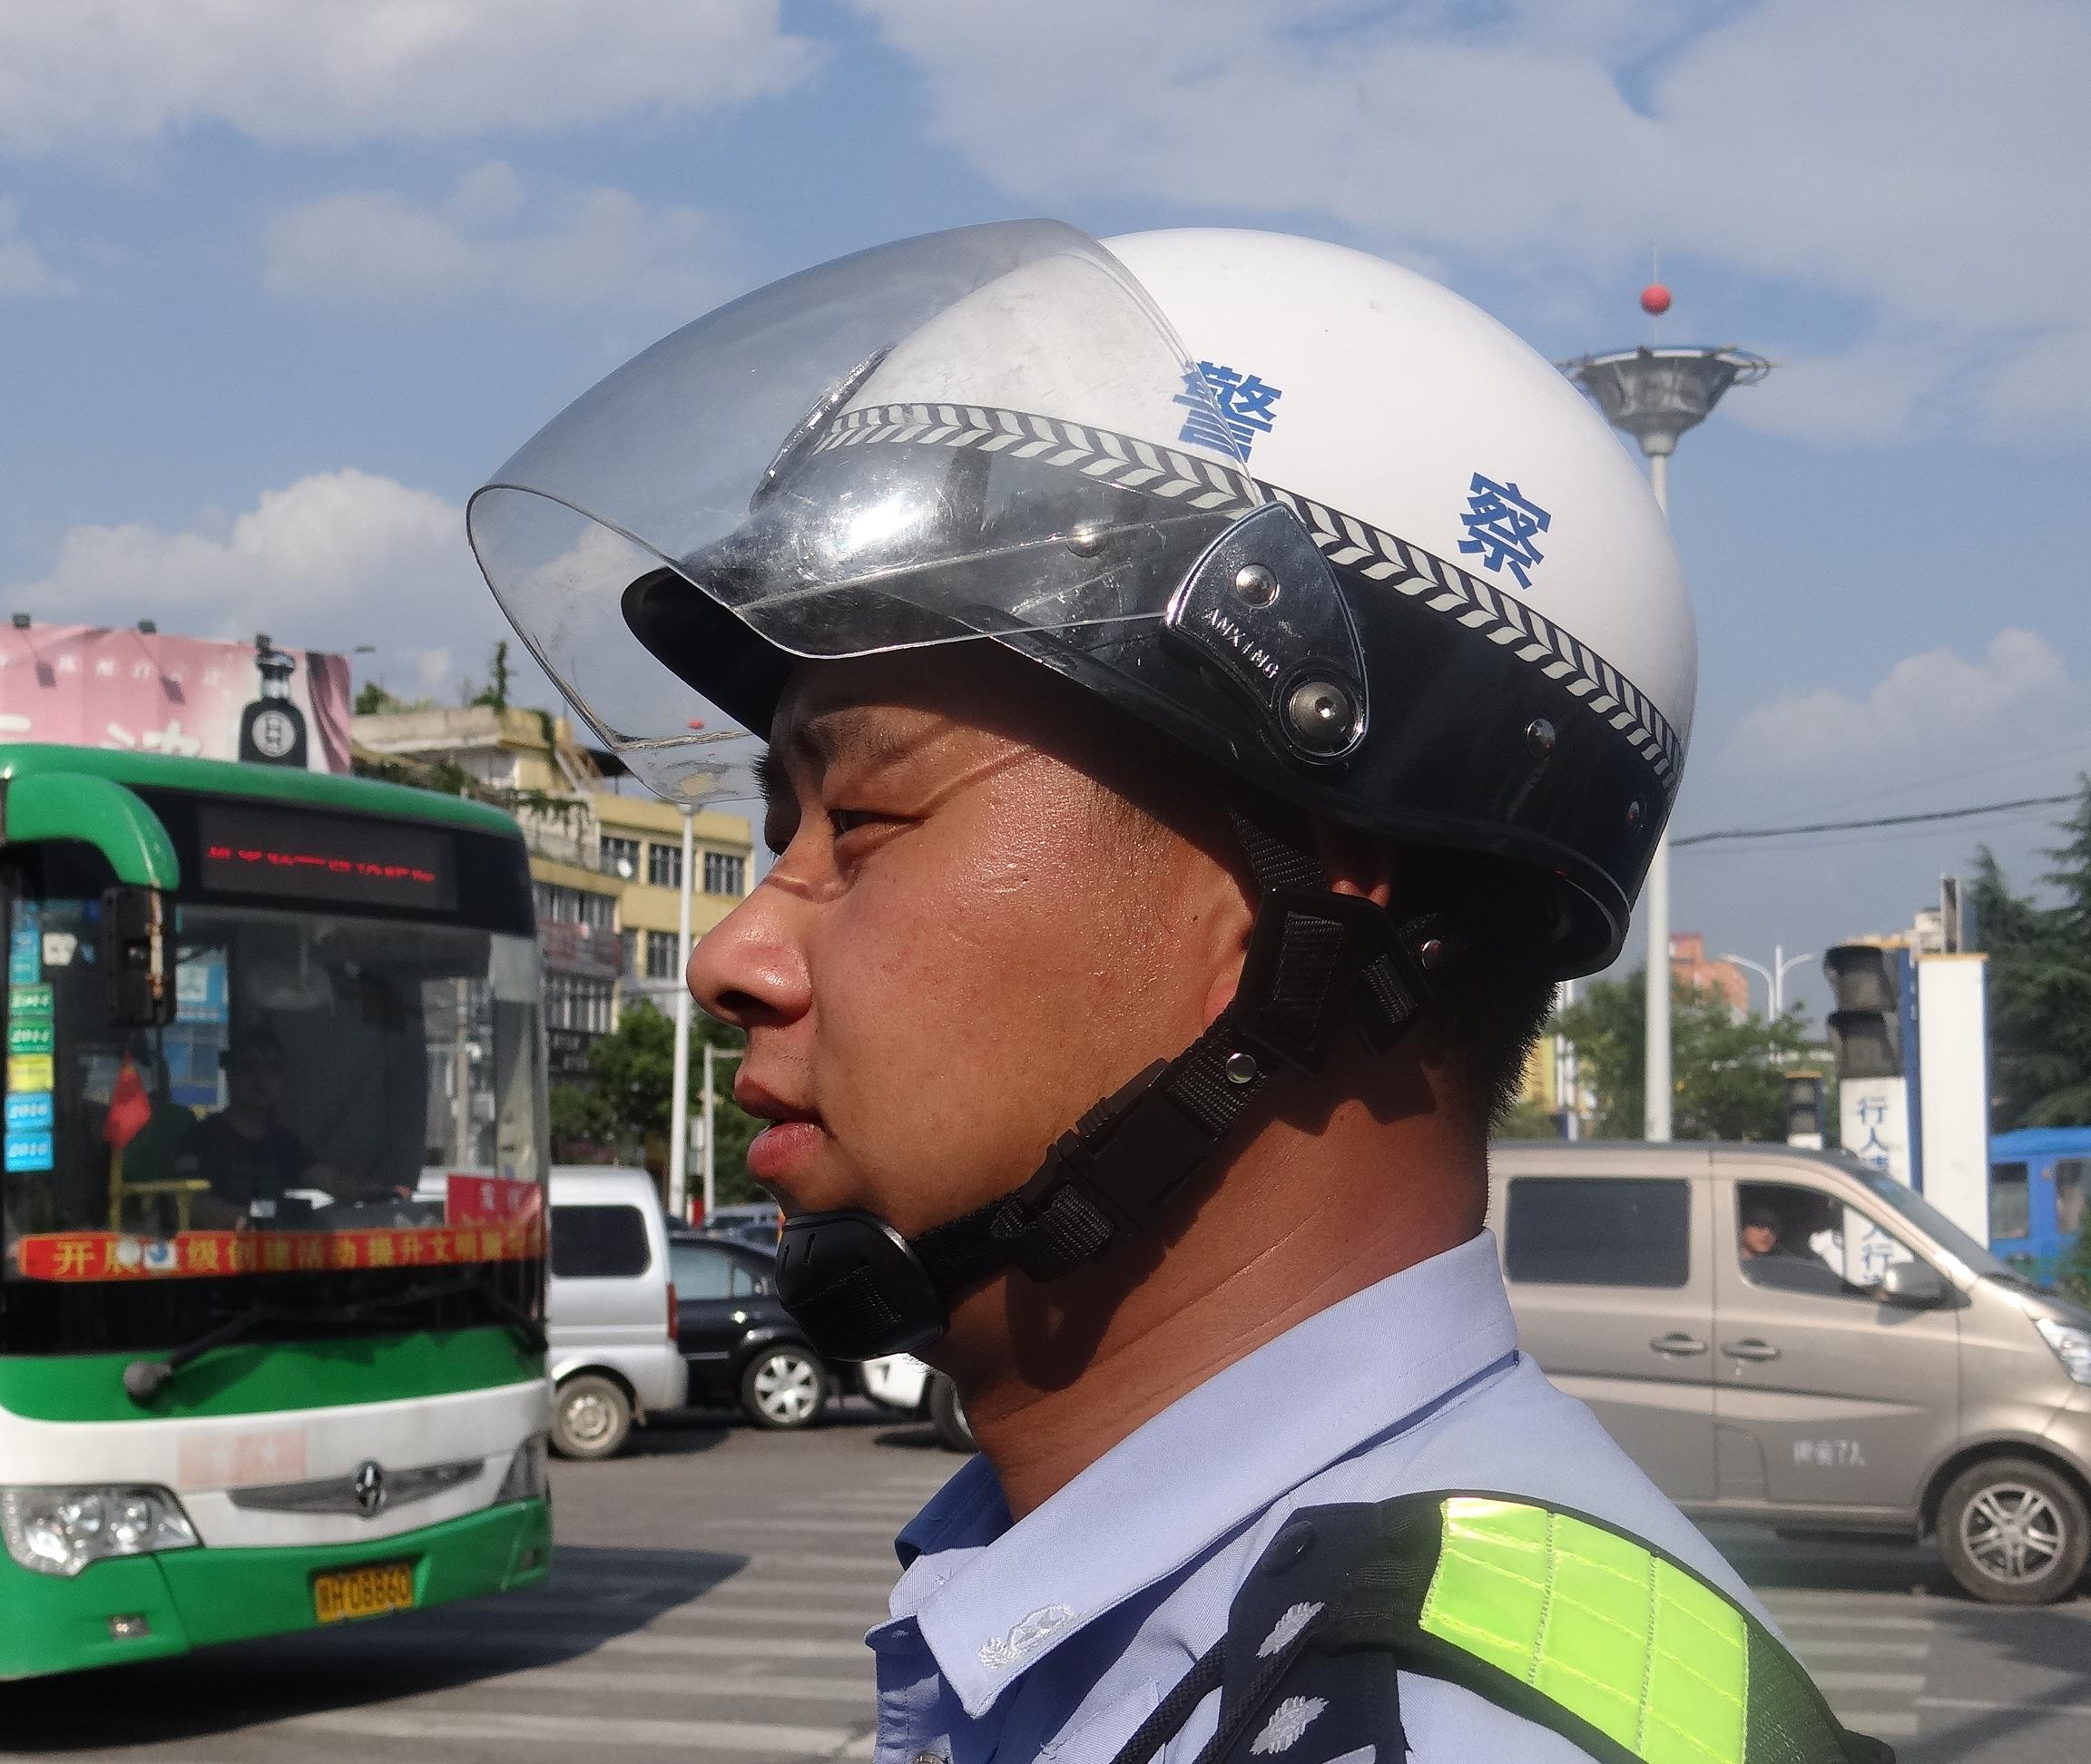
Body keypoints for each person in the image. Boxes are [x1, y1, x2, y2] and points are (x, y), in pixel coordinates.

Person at [470, 222, 1881, 1761]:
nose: (742, 954)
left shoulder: (1423, 1722)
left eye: (862, 818)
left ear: (1310, 893)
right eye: (776, 826)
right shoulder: (1156, 1614)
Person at [180, 1031, 355, 1227]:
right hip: (218, 1251)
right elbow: (190, 1202)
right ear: (230, 1073)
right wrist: (254, 1217)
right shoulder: (200, 1138)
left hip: (277, 1249)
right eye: (249, 1067)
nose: (261, 1078)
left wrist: (387, 1190)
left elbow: (332, 1182)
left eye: (273, 1069)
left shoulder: (284, 1142)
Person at [1740, 1195, 1845, 1296]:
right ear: (1742, 1228)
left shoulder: (1789, 1265)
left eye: (1774, 1227)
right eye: (1759, 1225)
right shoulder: (1726, 1262)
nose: (1767, 1233)